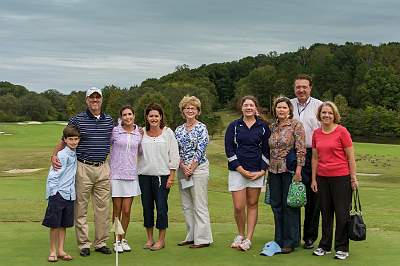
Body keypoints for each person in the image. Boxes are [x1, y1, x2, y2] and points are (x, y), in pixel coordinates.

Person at [51, 87, 114, 257]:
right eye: (91, 98)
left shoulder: (109, 120)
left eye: (97, 98)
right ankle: (84, 244)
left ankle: (100, 242)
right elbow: (64, 138)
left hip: (103, 167)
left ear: (101, 100)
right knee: (81, 208)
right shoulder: (77, 119)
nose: (95, 100)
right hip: (83, 167)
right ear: (86, 100)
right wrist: (54, 155)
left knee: (103, 209)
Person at [311, 101, 358, 260]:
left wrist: (353, 178)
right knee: (325, 213)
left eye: (330, 113)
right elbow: (315, 158)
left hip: (341, 178)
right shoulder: (316, 133)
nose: (326, 115)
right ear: (320, 114)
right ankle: (324, 245)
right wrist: (313, 179)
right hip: (322, 178)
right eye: (324, 112)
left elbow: (350, 156)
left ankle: (342, 247)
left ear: (334, 115)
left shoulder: (342, 131)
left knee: (342, 214)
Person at [224, 95, 270, 251]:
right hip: (237, 171)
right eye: (246, 105)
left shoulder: (263, 126)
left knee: (252, 204)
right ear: (241, 107)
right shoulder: (234, 126)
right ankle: (240, 234)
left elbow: (266, 151)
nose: (248, 107)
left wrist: (262, 171)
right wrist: (240, 169)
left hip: (256, 171)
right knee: (238, 206)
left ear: (255, 107)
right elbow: (229, 149)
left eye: (251, 105)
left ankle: (248, 238)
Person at [138, 103, 180, 251]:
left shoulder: (168, 133)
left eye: (156, 116)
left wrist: (172, 176)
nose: (154, 118)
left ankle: (161, 240)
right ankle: (150, 239)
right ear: (147, 117)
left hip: (162, 177)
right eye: (151, 116)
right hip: (144, 176)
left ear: (161, 117)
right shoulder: (141, 132)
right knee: (147, 208)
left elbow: (174, 155)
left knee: (161, 208)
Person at [268, 96, 306, 254]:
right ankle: (279, 238)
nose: (281, 110)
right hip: (273, 170)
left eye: (284, 107)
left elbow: (301, 149)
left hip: (289, 170)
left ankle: (290, 241)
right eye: (278, 107)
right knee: (276, 205)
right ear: (275, 110)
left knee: (289, 205)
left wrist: (299, 170)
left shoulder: (296, 125)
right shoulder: (272, 126)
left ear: (289, 109)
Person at [175, 95, 213, 249]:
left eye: (193, 108)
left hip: (199, 169)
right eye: (187, 108)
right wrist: (183, 167)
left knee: (199, 204)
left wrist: (192, 167)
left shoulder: (201, 128)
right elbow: (175, 151)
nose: (190, 110)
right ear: (183, 111)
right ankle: (191, 235)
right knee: (186, 204)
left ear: (198, 111)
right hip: (182, 170)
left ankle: (203, 238)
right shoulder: (178, 130)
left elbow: (201, 148)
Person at [290, 74, 322, 249]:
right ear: (294, 88)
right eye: (298, 87)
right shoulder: (289, 104)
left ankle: (309, 236)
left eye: (304, 87)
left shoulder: (319, 105)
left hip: (312, 154)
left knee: (312, 197)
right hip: (291, 154)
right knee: (292, 196)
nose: (301, 90)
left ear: (310, 87)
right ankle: (291, 235)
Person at [43, 125, 80, 262]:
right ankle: (52, 251)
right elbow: (53, 176)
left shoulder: (74, 153)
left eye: (76, 139)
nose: (74, 142)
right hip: (58, 194)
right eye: (70, 139)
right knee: (54, 225)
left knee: (64, 224)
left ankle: (60, 250)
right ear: (64, 140)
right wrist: (53, 193)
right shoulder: (62, 155)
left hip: (70, 195)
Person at [110, 105, 142, 253]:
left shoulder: (139, 133)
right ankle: (116, 240)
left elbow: (141, 152)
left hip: (131, 175)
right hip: (116, 175)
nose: (127, 117)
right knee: (116, 210)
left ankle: (123, 238)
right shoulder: (115, 131)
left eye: (130, 114)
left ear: (134, 115)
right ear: (121, 117)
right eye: (124, 115)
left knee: (127, 210)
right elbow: (107, 146)